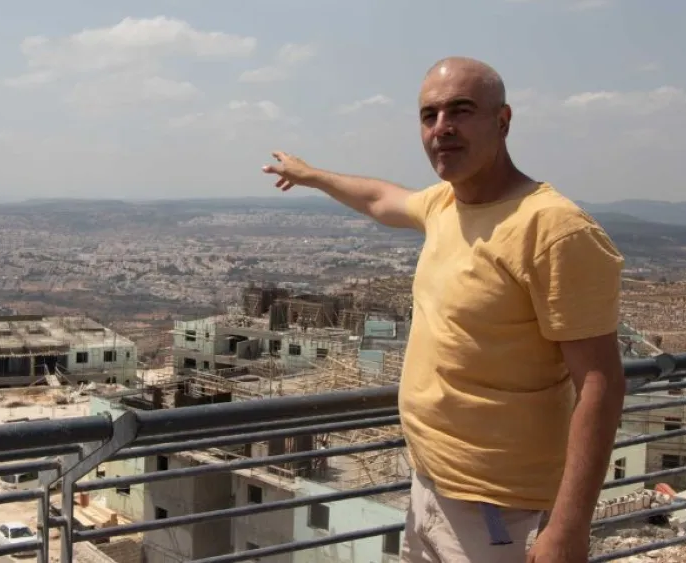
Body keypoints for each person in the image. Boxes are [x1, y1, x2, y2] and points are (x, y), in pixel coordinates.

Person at [262, 57, 626, 563]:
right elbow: (378, 197)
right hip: (429, 484)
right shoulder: (444, 206)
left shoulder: (554, 229)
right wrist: (311, 174)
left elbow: (599, 385)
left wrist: (568, 528)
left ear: (502, 121)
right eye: (428, 115)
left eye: (460, 110)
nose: (442, 128)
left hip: (497, 506)